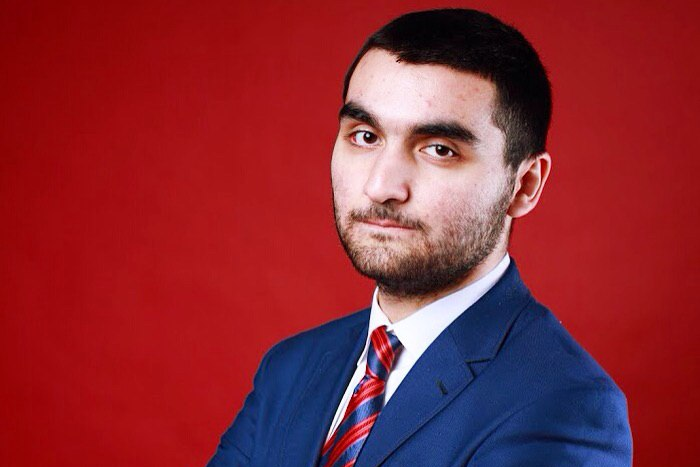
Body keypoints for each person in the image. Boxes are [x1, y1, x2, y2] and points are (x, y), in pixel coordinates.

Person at [207, 8, 632, 467]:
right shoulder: (290, 369)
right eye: (365, 136)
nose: (382, 187)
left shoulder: (564, 404)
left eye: (439, 149)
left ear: (524, 185)